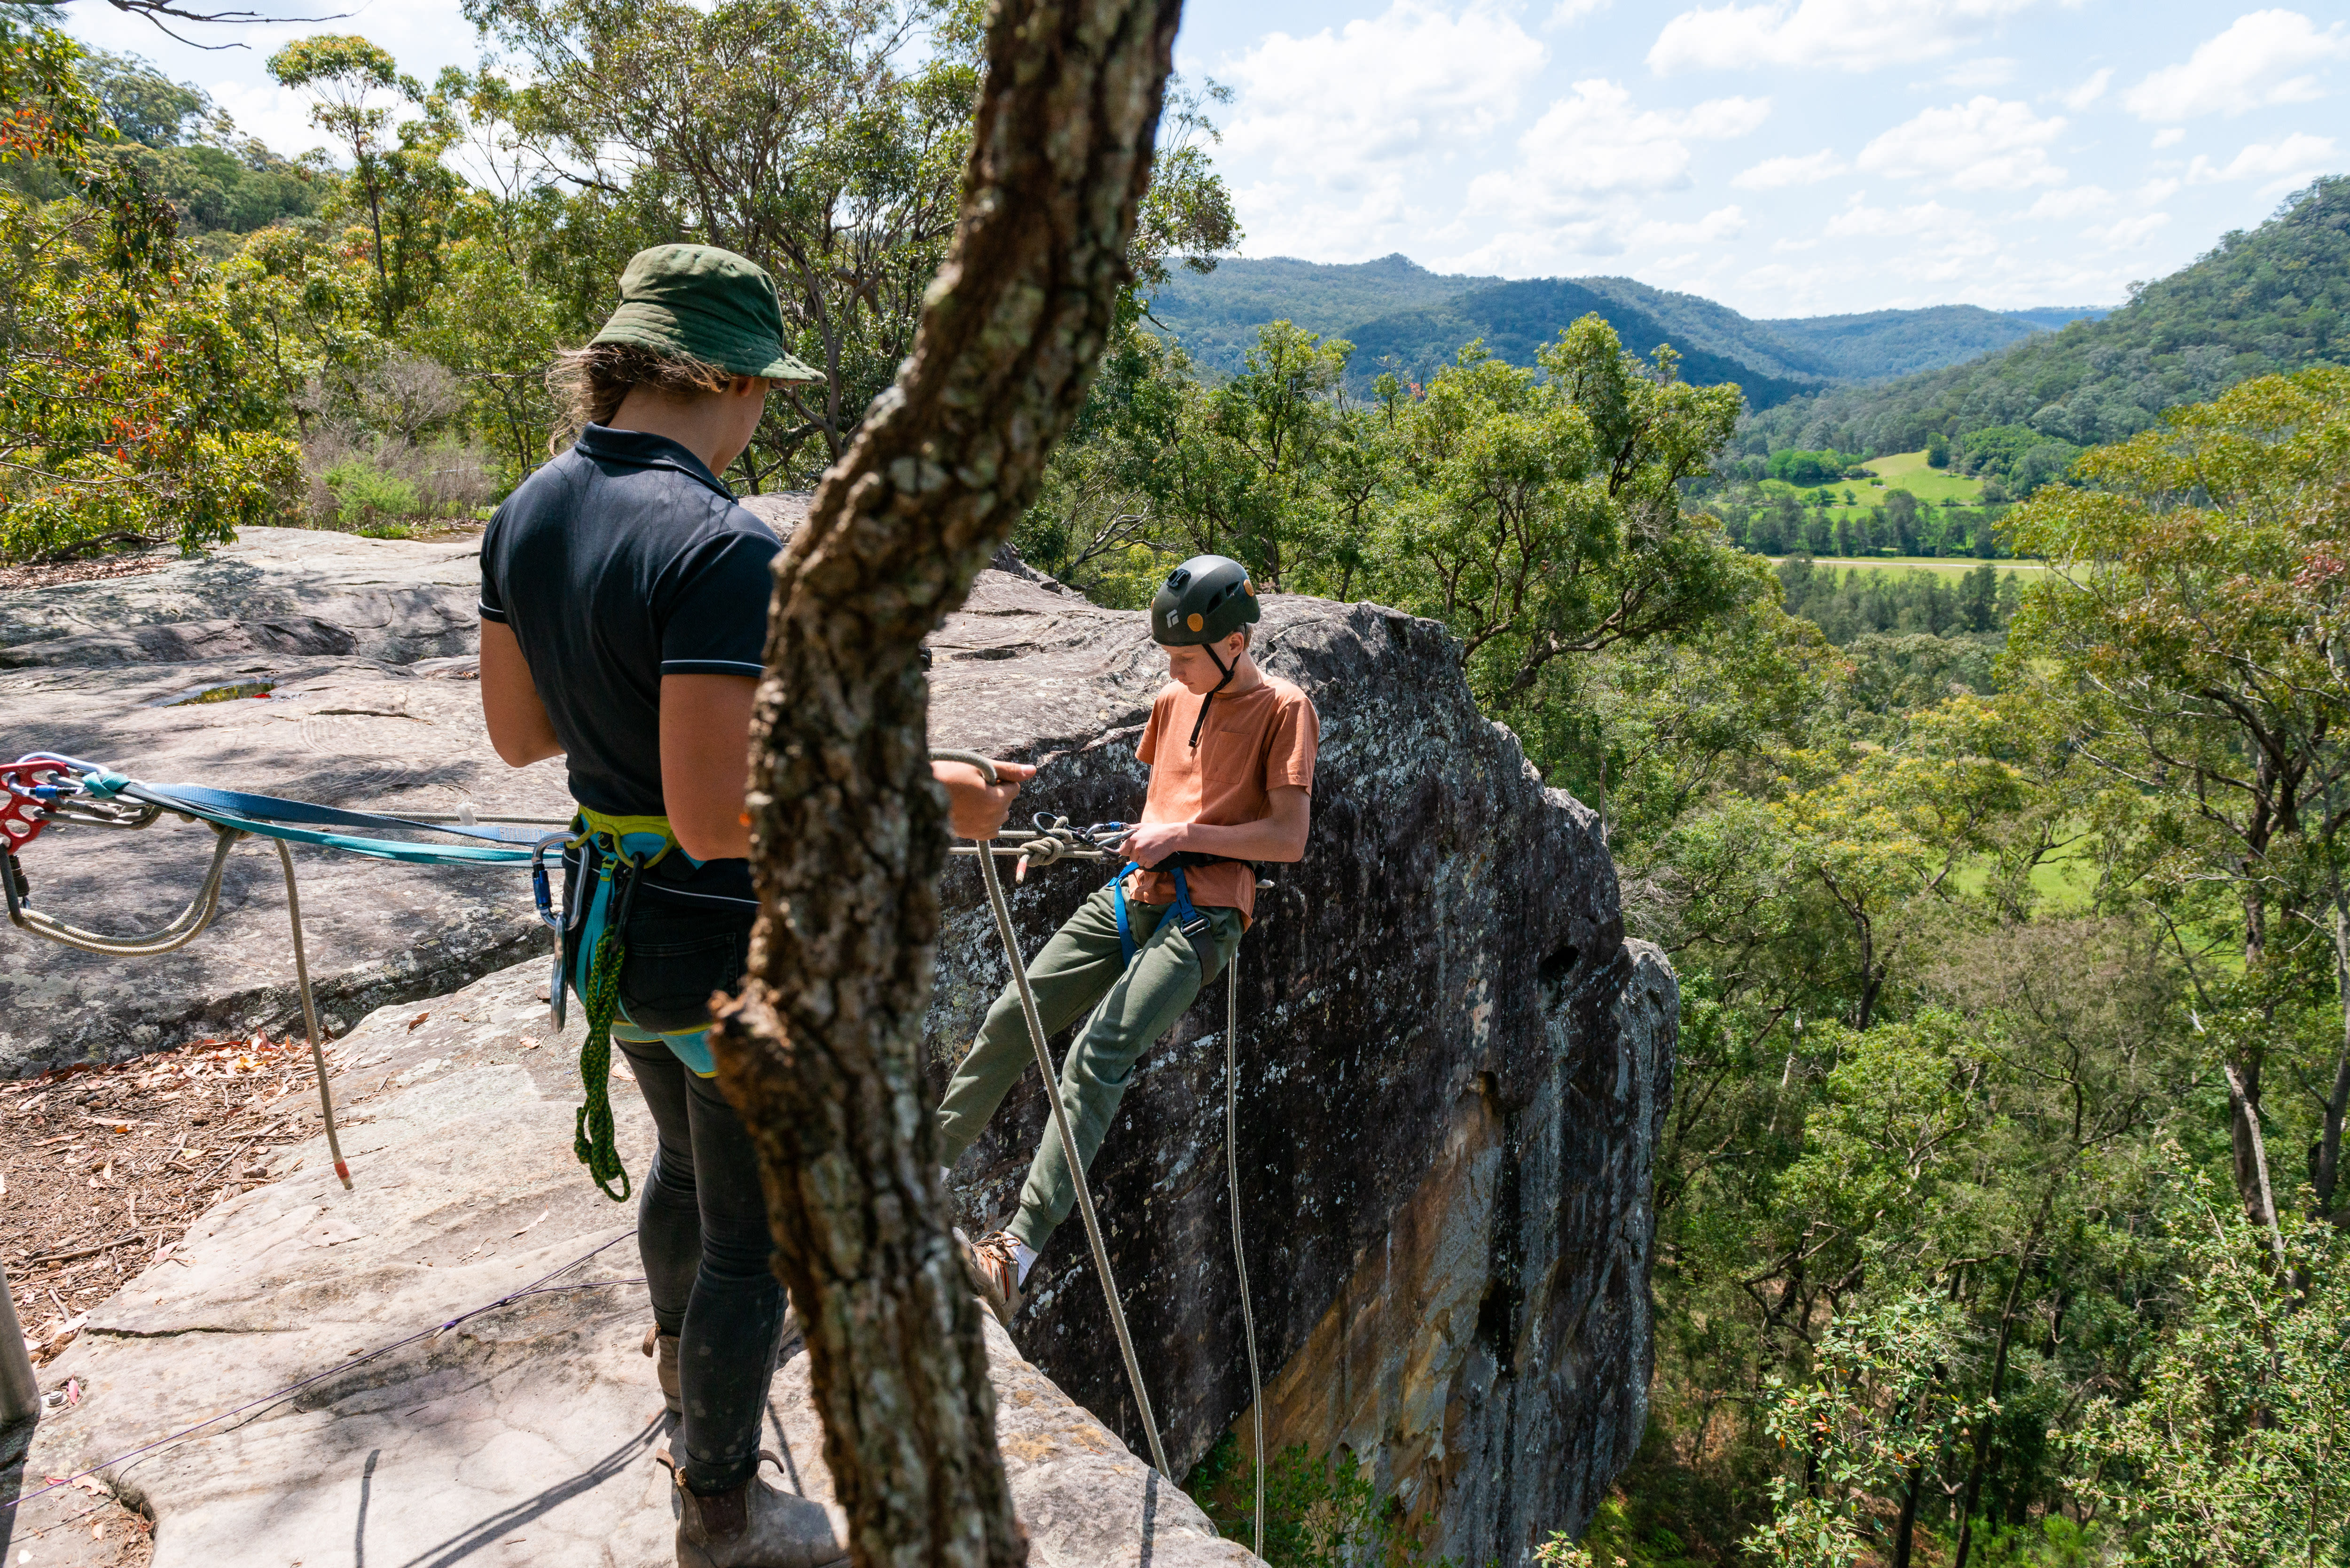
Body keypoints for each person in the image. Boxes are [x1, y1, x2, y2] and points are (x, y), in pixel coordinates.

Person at [476, 242, 1030, 1568]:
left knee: (680, 1162)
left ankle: (683, 1375)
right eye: (762, 390)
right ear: (722, 378)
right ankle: (717, 1500)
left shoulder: (529, 510)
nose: (759, 415)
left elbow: (517, 734)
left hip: (613, 928)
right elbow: (722, 819)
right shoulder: (723, 546)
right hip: (722, 943)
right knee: (756, 1239)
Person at [933, 555, 1317, 1324]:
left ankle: (1016, 1255)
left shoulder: (1286, 709)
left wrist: (1184, 834)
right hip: (1133, 893)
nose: (1171, 670)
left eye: (1183, 655)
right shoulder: (1177, 697)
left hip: (1206, 913)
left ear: (1235, 644)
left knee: (1096, 1053)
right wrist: (1145, 834)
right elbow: (1164, 793)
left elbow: (1288, 837)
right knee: (1017, 1011)